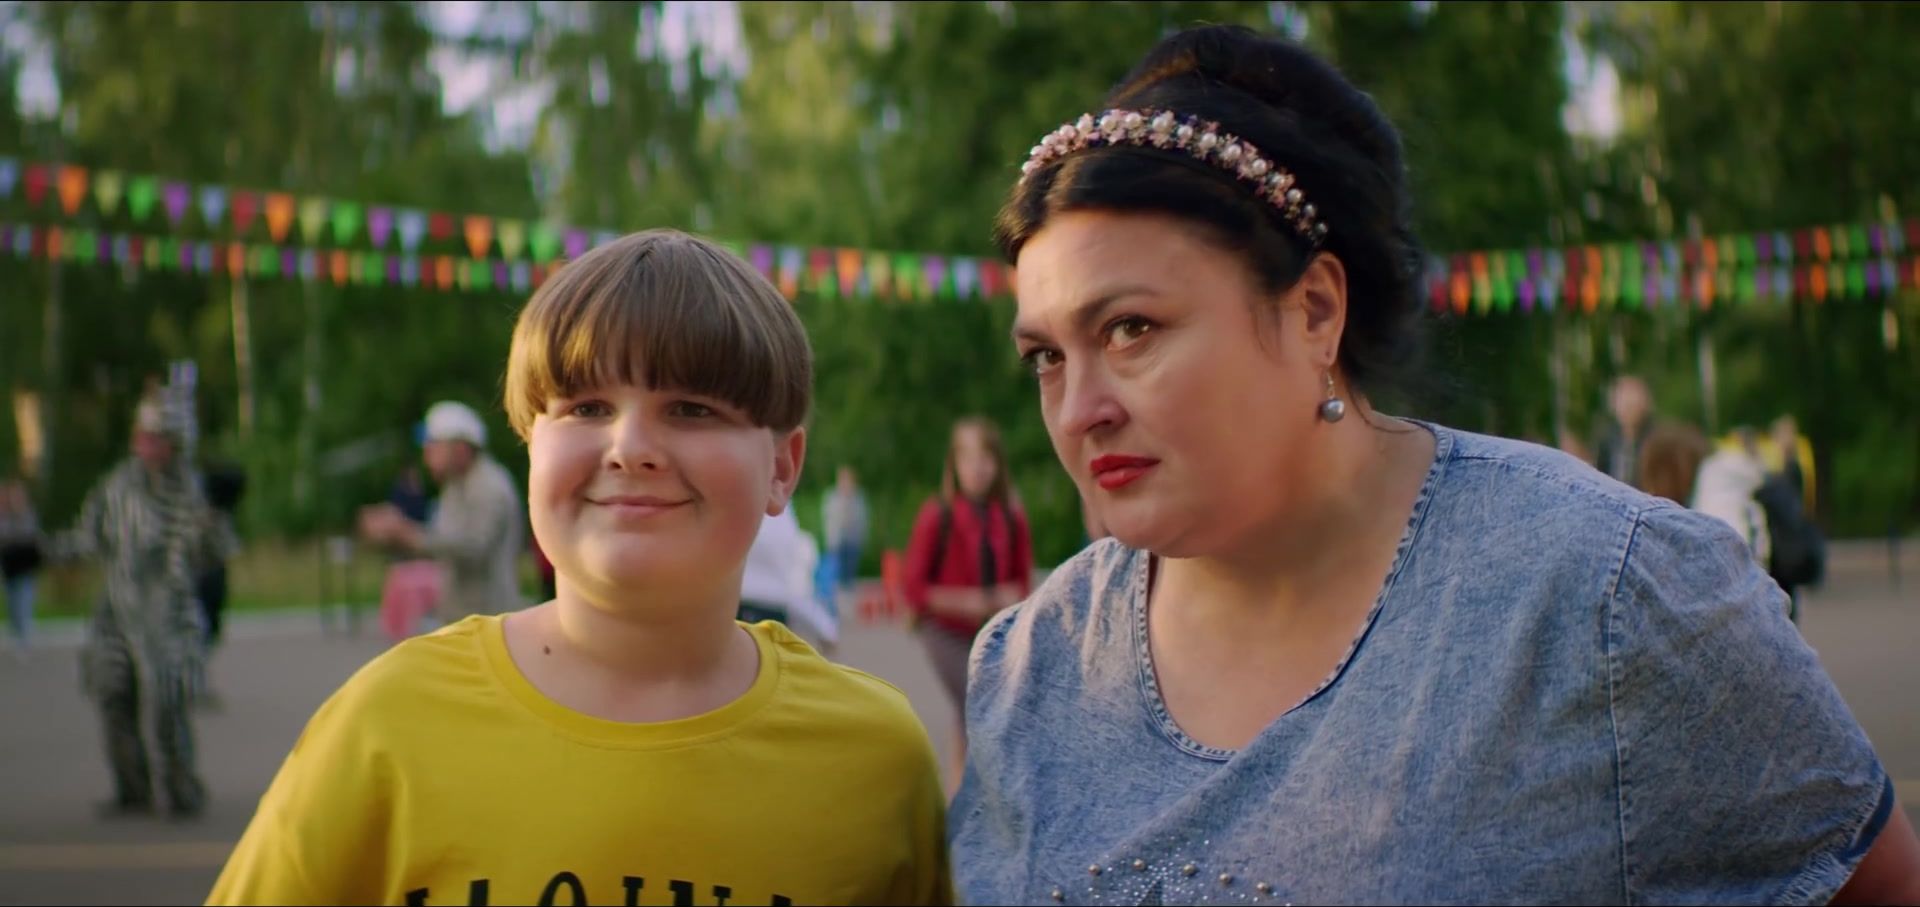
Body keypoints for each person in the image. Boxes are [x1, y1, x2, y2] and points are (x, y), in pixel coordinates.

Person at [952, 24, 1918, 905]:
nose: (1078, 409)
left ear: (1315, 310)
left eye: (1131, 329)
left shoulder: (1607, 598)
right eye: (1046, 356)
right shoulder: (1031, 667)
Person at [208, 229, 950, 906]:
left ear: (782, 468)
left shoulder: (874, 760)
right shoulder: (385, 727)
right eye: (587, 407)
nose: (631, 448)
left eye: (692, 409)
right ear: (530, 443)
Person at [49, 384, 233, 820]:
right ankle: (131, 788)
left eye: (154, 437)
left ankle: (180, 787)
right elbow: (87, 536)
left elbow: (212, 551)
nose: (144, 445)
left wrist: (212, 522)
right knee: (112, 692)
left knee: (167, 703)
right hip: (117, 611)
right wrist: (40, 550)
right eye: (141, 435)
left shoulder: (190, 491)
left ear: (173, 443)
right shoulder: (117, 486)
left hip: (166, 615)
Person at [902, 416, 1033, 798]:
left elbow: (1023, 583)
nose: (978, 468)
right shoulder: (938, 515)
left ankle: (961, 794)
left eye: (986, 458)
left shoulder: (1010, 516)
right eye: (969, 459)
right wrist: (965, 601)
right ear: (955, 465)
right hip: (944, 632)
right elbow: (913, 588)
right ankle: (975, 799)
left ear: (997, 464)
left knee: (971, 712)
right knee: (977, 701)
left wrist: (1004, 598)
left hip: (990, 632)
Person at [357, 401, 526, 628]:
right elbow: (442, 542)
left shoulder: (489, 487)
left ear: (461, 449)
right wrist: (394, 534)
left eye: (434, 444)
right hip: (466, 618)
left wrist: (408, 533)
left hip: (490, 620)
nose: (427, 453)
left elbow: (474, 548)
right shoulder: (455, 485)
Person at [1, 477, 43, 653]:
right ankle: (18, 629)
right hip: (11, 565)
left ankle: (24, 631)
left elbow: (32, 535)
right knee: (12, 598)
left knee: (25, 595)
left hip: (25, 565)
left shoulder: (28, 514)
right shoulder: (5, 516)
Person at [822, 464, 870, 600]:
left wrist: (863, 538)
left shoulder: (858, 498)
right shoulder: (832, 497)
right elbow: (828, 520)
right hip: (837, 541)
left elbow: (862, 520)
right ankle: (836, 599)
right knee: (835, 573)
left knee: (850, 573)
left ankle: (847, 598)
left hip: (853, 541)